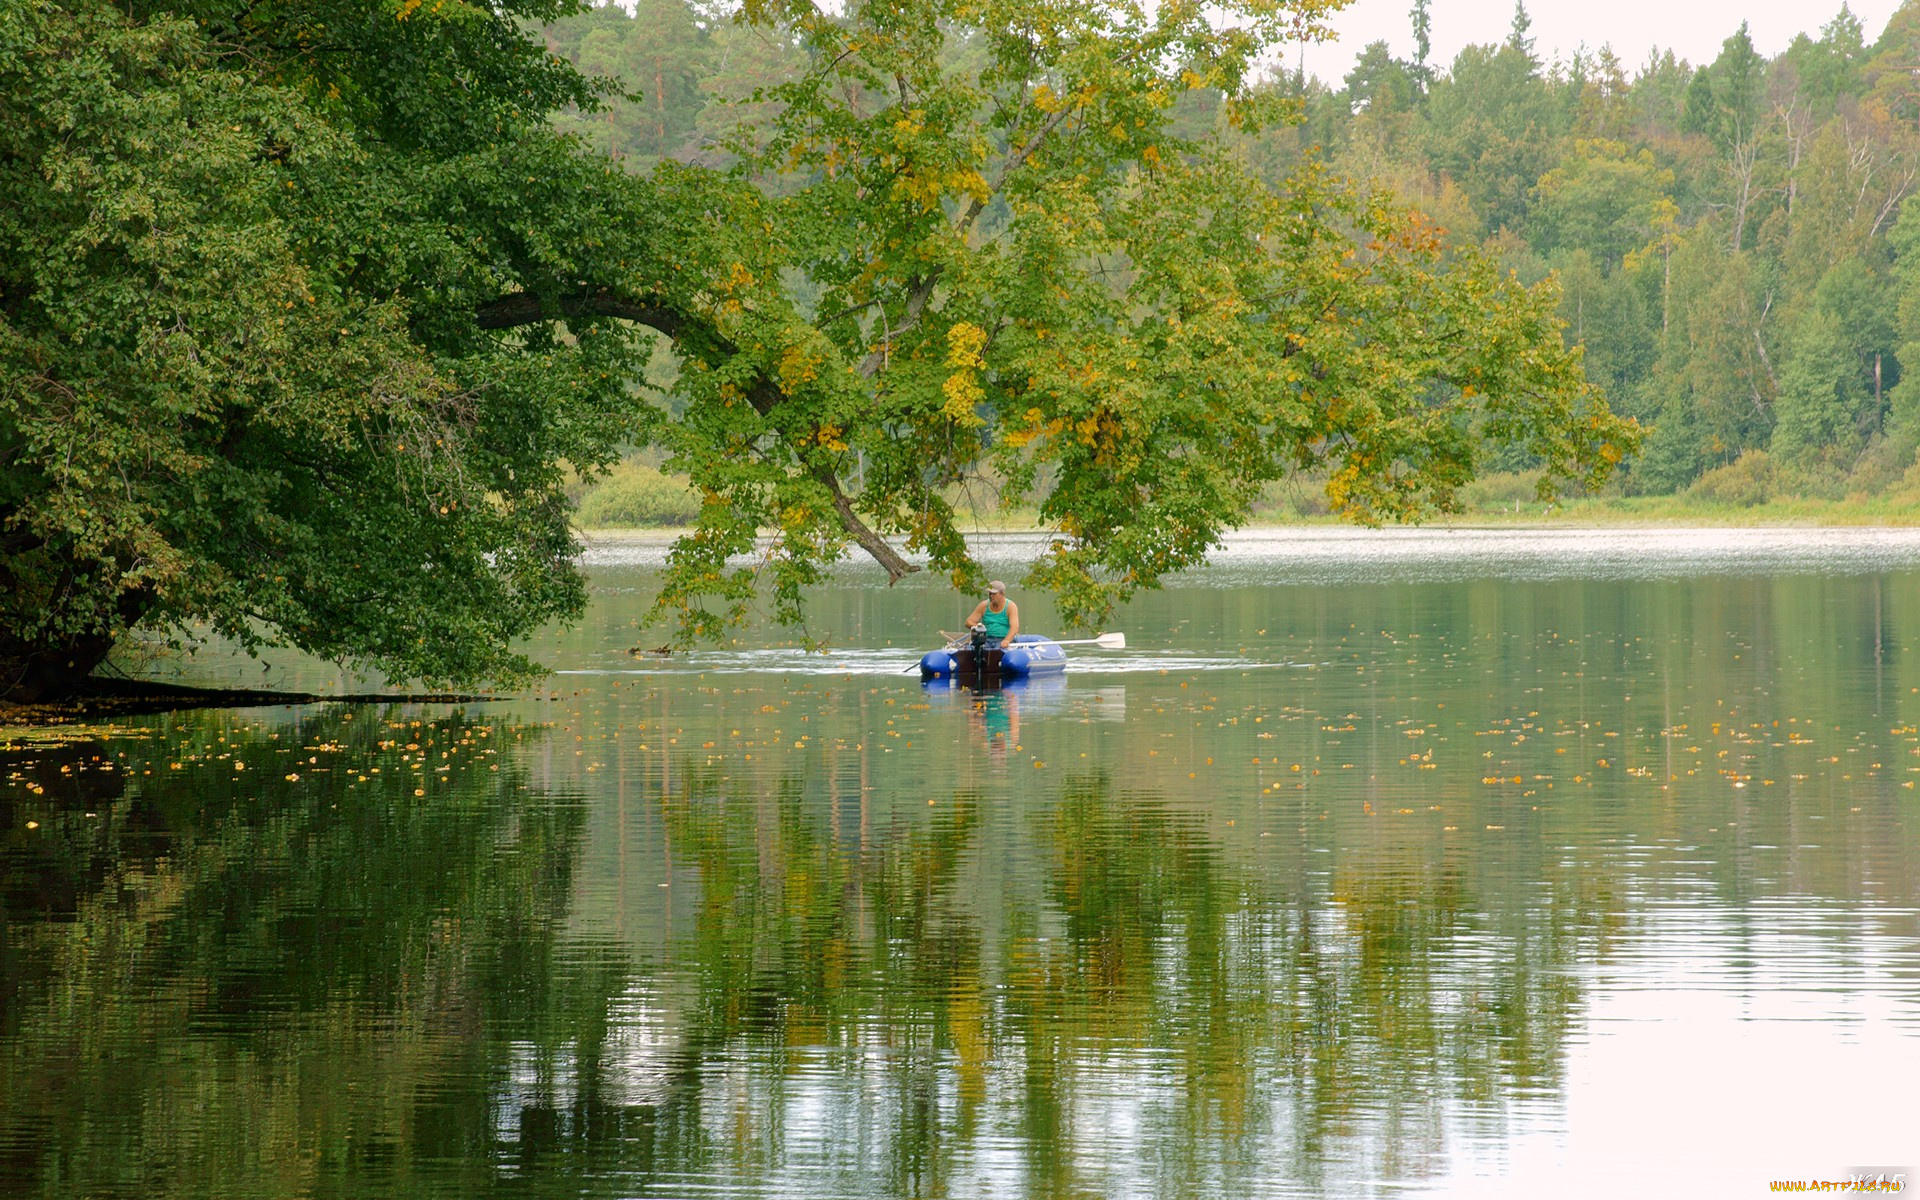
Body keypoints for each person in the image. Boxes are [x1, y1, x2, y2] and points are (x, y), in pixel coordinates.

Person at [965, 580, 1019, 647]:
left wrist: (1007, 640)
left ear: (1002, 594)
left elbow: (1015, 628)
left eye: (994, 594)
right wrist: (977, 626)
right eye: (990, 593)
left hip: (1003, 639)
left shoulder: (1010, 606)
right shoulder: (984, 605)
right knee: (971, 648)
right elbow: (968, 622)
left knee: (998, 649)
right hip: (986, 639)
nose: (991, 596)